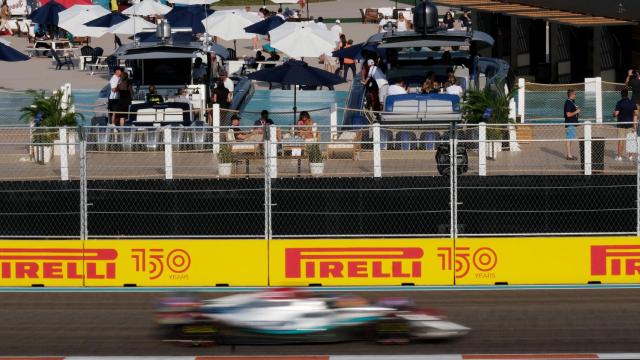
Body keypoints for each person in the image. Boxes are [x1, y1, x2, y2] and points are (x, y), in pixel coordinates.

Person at [613, 89, 638, 161]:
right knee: (630, 141)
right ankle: (630, 156)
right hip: (630, 124)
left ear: (621, 95)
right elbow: (636, 113)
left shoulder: (619, 103)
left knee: (621, 140)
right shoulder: (632, 103)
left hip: (621, 124)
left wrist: (613, 113)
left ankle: (619, 157)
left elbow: (616, 113)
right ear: (627, 94)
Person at [564, 89, 580, 160]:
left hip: (573, 123)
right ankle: (569, 155)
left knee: (570, 138)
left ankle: (569, 154)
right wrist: (576, 111)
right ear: (571, 94)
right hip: (570, 123)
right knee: (569, 138)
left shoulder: (572, 102)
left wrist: (576, 110)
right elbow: (568, 114)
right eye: (575, 94)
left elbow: (573, 111)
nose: (575, 95)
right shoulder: (568, 103)